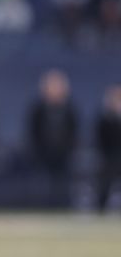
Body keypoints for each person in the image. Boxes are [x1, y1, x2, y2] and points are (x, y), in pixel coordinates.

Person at [26, 68, 79, 208]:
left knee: (63, 187)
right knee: (42, 187)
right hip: (42, 156)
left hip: (64, 156)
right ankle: (42, 209)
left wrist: (69, 149)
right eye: (51, 86)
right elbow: (33, 132)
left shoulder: (69, 109)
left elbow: (74, 132)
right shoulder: (38, 109)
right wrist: (37, 151)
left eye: (58, 86)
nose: (55, 89)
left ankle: (64, 208)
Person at [95, 84, 121, 211]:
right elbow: (101, 138)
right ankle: (101, 209)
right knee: (105, 183)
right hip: (110, 157)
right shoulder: (105, 118)